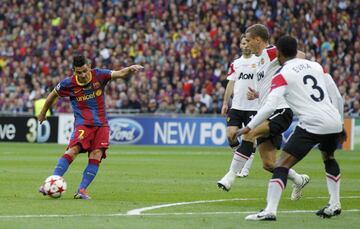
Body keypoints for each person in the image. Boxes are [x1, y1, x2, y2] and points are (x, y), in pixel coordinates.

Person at [242, 36, 344, 220]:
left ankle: (270, 210)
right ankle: (335, 204)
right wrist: (341, 121)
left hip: (312, 123)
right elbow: (336, 94)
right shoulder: (316, 66)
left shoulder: (282, 74)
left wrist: (249, 126)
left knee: (281, 165)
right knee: (329, 158)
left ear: (278, 53)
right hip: (334, 121)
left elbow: (270, 106)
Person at [217, 24, 309, 201]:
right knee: (269, 164)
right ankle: (299, 179)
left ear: (258, 40)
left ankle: (230, 176)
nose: (246, 44)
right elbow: (270, 84)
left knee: (249, 132)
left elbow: (300, 55)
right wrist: (258, 94)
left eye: (249, 40)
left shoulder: (271, 52)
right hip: (266, 110)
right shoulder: (259, 61)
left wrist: (299, 70)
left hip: (281, 109)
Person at [38, 55, 143, 199]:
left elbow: (119, 73)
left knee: (96, 155)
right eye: (78, 72)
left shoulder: (99, 75)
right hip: (83, 124)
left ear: (89, 67)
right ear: (74, 71)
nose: (82, 75)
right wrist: (43, 112)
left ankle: (81, 190)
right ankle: (50, 183)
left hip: (102, 125)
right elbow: (52, 95)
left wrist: (130, 69)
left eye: (84, 71)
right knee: (73, 150)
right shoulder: (68, 83)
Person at [218, 36, 258, 181]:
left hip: (253, 106)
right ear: (240, 46)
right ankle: (242, 159)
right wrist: (225, 102)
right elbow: (230, 84)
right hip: (237, 105)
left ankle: (245, 167)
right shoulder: (236, 63)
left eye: (248, 42)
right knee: (230, 135)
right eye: (243, 43)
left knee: (249, 138)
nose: (246, 45)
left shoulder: (258, 61)